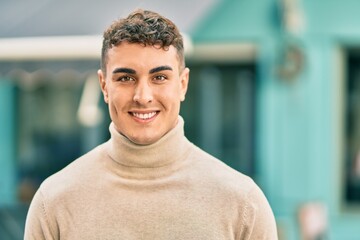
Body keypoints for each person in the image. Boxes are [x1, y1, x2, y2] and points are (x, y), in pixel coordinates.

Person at [24, 9, 278, 239]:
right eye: (125, 78)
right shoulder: (55, 201)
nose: (143, 96)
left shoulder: (242, 203)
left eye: (159, 77)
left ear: (182, 84)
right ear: (104, 86)